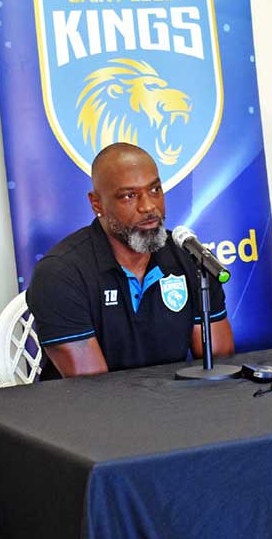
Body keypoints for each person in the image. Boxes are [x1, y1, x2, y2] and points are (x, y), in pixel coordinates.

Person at [26, 142, 234, 377]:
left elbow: (218, 361)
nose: (148, 206)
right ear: (97, 204)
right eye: (129, 196)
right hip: (88, 410)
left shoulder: (190, 258)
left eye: (155, 190)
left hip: (173, 403)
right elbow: (90, 386)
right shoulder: (59, 273)